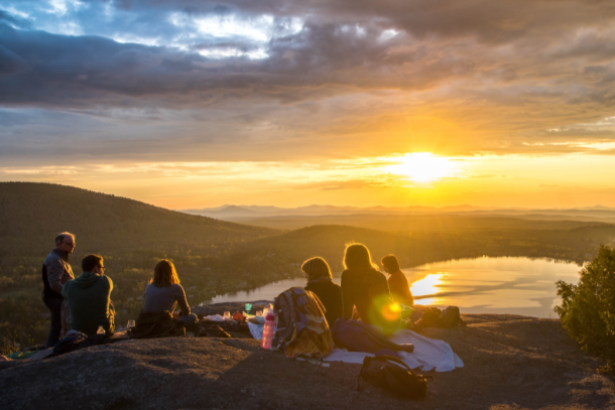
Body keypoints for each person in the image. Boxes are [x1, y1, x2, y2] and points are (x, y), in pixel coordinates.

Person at [340, 243, 400, 334]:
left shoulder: (348, 275)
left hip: (374, 327)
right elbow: (389, 301)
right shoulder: (380, 275)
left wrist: (345, 327)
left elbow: (347, 305)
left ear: (348, 259)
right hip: (393, 323)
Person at [62, 254, 115, 336]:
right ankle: (105, 328)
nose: (103, 271)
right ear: (96, 268)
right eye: (102, 268)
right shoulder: (105, 281)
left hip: (77, 332)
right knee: (109, 301)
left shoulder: (68, 286)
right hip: (102, 332)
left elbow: (64, 293)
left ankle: (66, 334)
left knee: (66, 302)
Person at [42, 232, 76, 347]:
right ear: (59, 244)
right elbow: (55, 284)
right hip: (57, 298)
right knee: (58, 326)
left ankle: (53, 348)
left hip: (58, 298)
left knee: (59, 326)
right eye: (70, 244)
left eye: (73, 244)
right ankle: (52, 351)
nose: (73, 246)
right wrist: (69, 294)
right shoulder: (55, 260)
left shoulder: (60, 258)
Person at [142, 260, 198, 326]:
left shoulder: (148, 286)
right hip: (163, 325)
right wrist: (178, 314)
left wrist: (173, 314)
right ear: (171, 272)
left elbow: (153, 308)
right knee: (193, 317)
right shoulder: (176, 287)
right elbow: (186, 312)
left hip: (146, 323)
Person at [302, 257, 343, 327]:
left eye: (307, 273)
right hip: (337, 330)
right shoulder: (338, 289)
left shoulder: (307, 292)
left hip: (316, 332)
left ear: (312, 273)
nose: (306, 277)